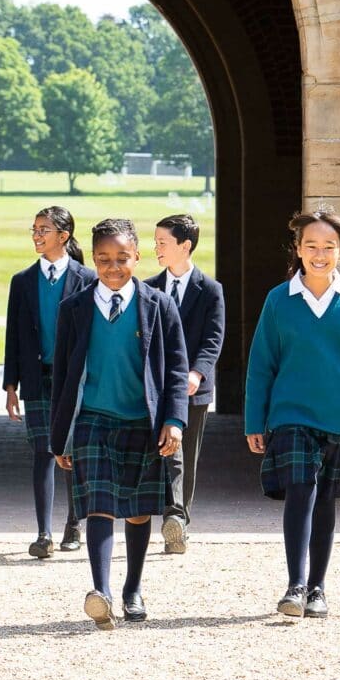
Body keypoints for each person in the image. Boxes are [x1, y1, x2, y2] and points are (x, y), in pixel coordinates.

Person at [243, 207, 340, 620]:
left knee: (325, 501)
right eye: (311, 246)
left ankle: (317, 589)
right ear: (298, 248)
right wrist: (254, 421)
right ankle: (295, 584)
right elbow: (261, 365)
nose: (320, 254)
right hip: (290, 416)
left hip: (338, 419)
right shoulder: (278, 301)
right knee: (300, 490)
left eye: (329, 246)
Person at [49, 218, 189, 629]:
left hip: (141, 422)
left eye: (122, 258)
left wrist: (174, 420)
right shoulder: (73, 309)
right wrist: (61, 438)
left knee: (139, 511)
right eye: (104, 259)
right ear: (93, 259)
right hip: (93, 420)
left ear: (137, 256)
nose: (113, 267)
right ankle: (101, 591)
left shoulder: (159, 305)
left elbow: (177, 369)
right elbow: (62, 376)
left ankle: (132, 588)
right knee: (98, 507)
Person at [4, 205, 96, 558]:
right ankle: (44, 533)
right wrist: (10, 385)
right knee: (42, 453)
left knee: (70, 451)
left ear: (64, 235)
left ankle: (74, 524)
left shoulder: (87, 279)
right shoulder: (22, 281)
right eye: (34, 229)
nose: (37, 235)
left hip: (74, 379)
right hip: (37, 380)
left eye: (44, 230)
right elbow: (14, 335)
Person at [149, 211, 224, 555]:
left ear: (185, 245)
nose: (156, 249)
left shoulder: (210, 290)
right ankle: (171, 514)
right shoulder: (148, 288)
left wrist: (197, 372)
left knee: (184, 454)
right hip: (156, 388)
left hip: (194, 389)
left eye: (162, 243)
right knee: (161, 452)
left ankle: (178, 519)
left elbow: (213, 339)